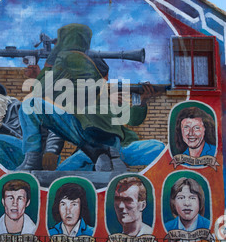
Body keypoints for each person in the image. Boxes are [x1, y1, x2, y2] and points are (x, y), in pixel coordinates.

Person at [18, 23, 162, 172]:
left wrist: (48, 65)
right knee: (68, 168)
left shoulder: (72, 67)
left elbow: (46, 99)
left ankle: (33, 161)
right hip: (100, 145)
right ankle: (103, 154)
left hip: (111, 145)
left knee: (29, 105)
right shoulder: (96, 90)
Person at [0, 82, 64, 171]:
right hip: (26, 158)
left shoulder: (22, 108)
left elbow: (55, 126)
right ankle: (12, 173)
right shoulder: (2, 122)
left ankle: (9, 173)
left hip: (43, 156)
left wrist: (51, 151)